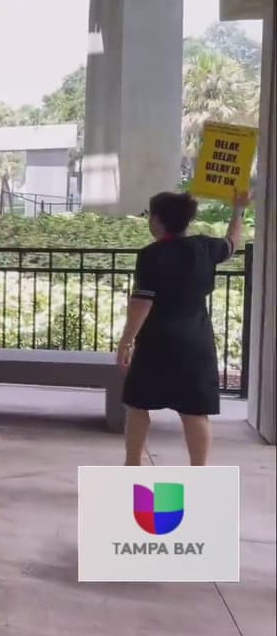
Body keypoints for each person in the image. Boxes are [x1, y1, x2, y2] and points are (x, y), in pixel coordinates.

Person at [118, 189, 250, 466]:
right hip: (196, 342)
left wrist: (126, 341)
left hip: (156, 341)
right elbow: (233, 242)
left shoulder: (151, 255)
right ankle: (198, 474)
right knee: (194, 411)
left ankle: (132, 466)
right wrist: (238, 210)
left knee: (139, 404)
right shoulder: (205, 248)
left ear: (156, 219)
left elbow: (142, 302)